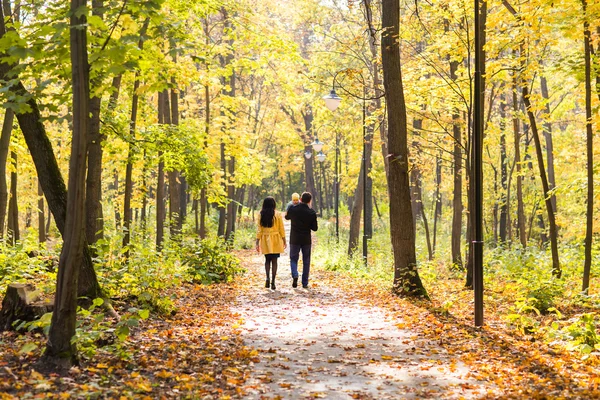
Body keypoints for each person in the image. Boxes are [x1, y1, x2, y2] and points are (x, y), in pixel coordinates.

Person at [285, 192, 318, 288]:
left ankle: (295, 274)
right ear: (309, 201)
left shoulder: (293, 209)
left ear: (300, 199)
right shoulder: (311, 212)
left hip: (294, 238)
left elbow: (287, 217)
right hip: (306, 239)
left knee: (293, 258)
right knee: (306, 260)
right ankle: (304, 282)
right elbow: (315, 228)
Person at [256, 197, 286, 290]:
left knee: (267, 260)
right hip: (276, 239)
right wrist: (284, 239)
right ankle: (273, 281)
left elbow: (259, 229)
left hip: (265, 239)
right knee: (275, 260)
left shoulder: (261, 214)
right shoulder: (277, 214)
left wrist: (257, 241)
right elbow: (281, 228)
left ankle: (267, 278)